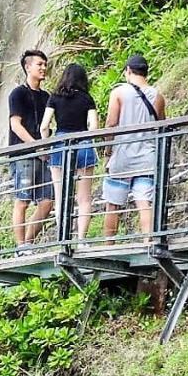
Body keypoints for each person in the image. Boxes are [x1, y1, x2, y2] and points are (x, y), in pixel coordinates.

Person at [103, 54, 166, 238]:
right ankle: (148, 241)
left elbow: (111, 123)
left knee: (113, 204)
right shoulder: (158, 97)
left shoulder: (119, 93)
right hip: (147, 157)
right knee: (144, 201)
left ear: (128, 71)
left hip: (122, 156)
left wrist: (108, 150)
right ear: (146, 73)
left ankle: (108, 246)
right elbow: (162, 127)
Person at [40, 63, 99, 239]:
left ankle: (63, 239)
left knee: (60, 197)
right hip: (83, 144)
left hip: (60, 145)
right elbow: (94, 127)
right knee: (84, 199)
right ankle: (81, 240)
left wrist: (46, 147)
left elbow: (44, 127)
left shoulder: (54, 98)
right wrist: (88, 139)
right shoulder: (87, 99)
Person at [9, 49, 54, 251]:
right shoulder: (18, 93)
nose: (44, 68)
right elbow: (15, 125)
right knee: (23, 200)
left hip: (43, 153)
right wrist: (35, 145)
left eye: (45, 64)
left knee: (47, 201)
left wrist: (44, 145)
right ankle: (21, 246)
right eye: (39, 65)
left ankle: (28, 243)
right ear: (28, 67)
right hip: (24, 154)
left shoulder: (46, 97)